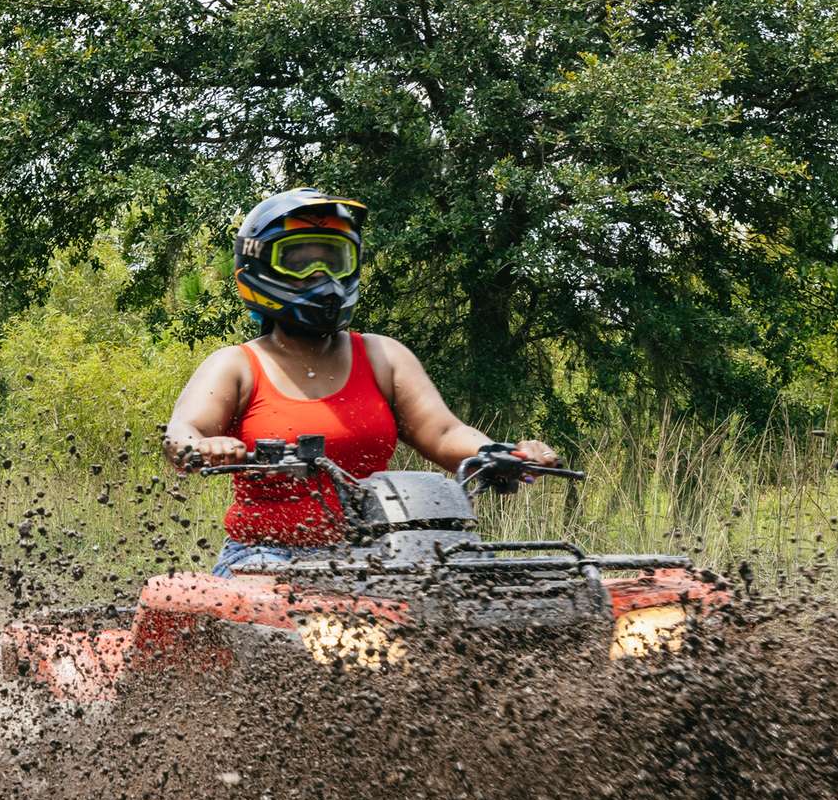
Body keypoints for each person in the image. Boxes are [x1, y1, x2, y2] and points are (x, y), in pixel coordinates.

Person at [163, 188, 559, 576]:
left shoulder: (383, 357)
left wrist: (499, 453)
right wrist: (204, 446)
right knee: (293, 637)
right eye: (299, 261)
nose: (322, 276)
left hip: (381, 557)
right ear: (258, 267)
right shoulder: (237, 365)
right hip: (265, 560)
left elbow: (442, 431)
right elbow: (183, 431)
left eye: (335, 260)